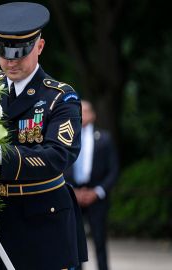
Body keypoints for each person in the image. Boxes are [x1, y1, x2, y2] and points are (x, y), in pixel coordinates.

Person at [0, 2, 88, 269]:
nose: (11, 61)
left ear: (39, 47)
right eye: (4, 52)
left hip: (42, 221)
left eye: (20, 52)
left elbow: (58, 156)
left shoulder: (60, 97)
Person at [64, 100, 119, 270]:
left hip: (96, 196)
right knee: (74, 240)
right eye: (79, 111)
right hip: (74, 195)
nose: (83, 114)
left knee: (100, 239)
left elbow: (113, 170)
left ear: (93, 115)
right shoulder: (66, 137)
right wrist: (73, 190)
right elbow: (61, 166)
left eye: (86, 111)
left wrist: (98, 191)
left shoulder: (104, 138)